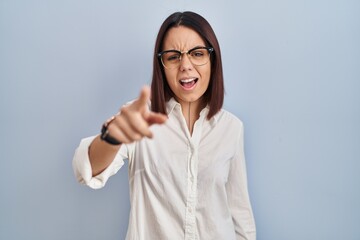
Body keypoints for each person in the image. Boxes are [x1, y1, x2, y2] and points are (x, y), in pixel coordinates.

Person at [73, 11, 256, 240]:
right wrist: (113, 136)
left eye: (197, 54)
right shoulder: (140, 119)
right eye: (173, 57)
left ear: (212, 59)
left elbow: (241, 218)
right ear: (162, 65)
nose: (185, 65)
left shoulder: (232, 128)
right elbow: (85, 170)